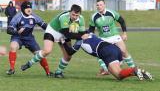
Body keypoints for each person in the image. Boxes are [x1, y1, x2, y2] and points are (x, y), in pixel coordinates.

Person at [21, 33, 153, 81]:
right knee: (118, 72)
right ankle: (138, 72)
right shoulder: (89, 34)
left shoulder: (79, 41)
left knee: (118, 75)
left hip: (107, 51)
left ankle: (134, 70)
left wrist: (62, 42)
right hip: (114, 49)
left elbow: (69, 52)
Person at [20, 4, 87, 78]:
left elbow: (82, 33)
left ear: (80, 14)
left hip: (64, 34)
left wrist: (82, 36)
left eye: (76, 15)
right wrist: (81, 36)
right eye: (73, 14)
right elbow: (68, 34)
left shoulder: (81, 19)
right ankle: (29, 63)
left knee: (68, 56)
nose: (74, 17)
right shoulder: (64, 17)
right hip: (52, 31)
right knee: (47, 51)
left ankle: (58, 72)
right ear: (70, 12)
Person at [88, 0, 135, 75]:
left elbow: (122, 21)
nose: (99, 6)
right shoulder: (94, 17)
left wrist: (124, 33)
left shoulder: (111, 12)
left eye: (101, 5)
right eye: (97, 5)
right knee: (99, 53)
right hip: (103, 38)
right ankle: (106, 69)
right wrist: (91, 38)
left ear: (104, 5)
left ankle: (134, 69)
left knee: (124, 52)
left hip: (114, 36)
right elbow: (91, 30)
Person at [6, 1, 53, 76]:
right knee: (13, 46)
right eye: (27, 8)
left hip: (29, 38)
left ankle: (48, 72)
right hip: (18, 37)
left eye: (30, 8)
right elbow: (9, 30)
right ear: (22, 9)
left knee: (40, 54)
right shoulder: (18, 17)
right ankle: (12, 69)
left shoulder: (34, 16)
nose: (29, 9)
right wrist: (17, 32)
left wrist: (52, 31)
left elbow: (44, 25)